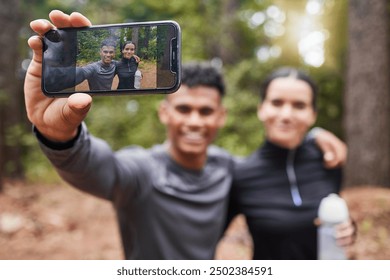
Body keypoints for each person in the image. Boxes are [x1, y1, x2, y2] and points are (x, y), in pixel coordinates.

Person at [25, 10, 349, 259]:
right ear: (164, 112)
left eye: (205, 111)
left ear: (221, 116)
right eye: (183, 109)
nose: (194, 121)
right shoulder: (140, 171)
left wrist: (313, 136)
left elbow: (274, 169)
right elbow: (94, 165)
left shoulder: (228, 169)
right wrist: (59, 136)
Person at [229, 67, 354, 260]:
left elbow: (331, 220)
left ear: (312, 114)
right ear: (261, 109)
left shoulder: (329, 160)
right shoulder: (241, 174)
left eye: (299, 105)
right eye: (277, 103)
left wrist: (348, 228)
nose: (286, 115)